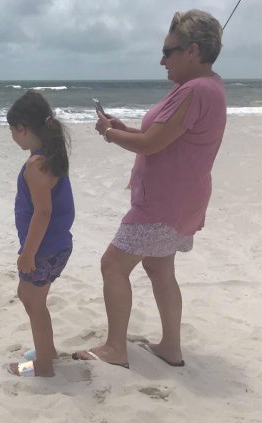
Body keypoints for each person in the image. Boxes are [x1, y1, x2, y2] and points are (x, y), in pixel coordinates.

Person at [73, 9, 227, 369]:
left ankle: (115, 349)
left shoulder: (195, 90)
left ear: (192, 51)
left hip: (163, 204)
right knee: (159, 270)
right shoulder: (208, 87)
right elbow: (163, 137)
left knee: (112, 265)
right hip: (182, 200)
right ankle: (171, 347)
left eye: (168, 51)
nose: (162, 61)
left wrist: (110, 133)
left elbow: (151, 145)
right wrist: (123, 127)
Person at [6, 90, 74, 377]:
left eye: (12, 130)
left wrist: (28, 253)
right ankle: (48, 352)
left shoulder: (36, 165)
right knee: (37, 300)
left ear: (22, 128)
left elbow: (42, 213)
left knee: (31, 299)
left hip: (43, 249)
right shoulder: (51, 154)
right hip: (58, 245)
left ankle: (43, 366)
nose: (12, 136)